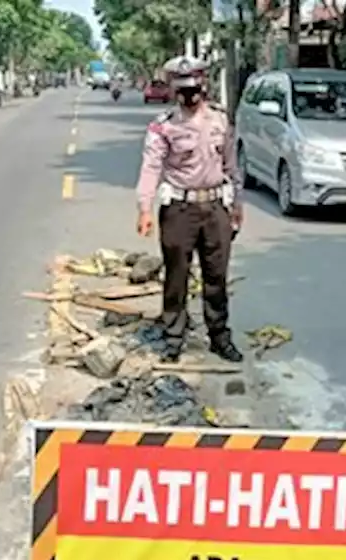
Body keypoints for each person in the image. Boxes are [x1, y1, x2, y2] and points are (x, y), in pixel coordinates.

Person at [136, 56, 244, 364]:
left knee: (216, 277)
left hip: (215, 209)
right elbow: (151, 168)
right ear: (173, 90)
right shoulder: (163, 127)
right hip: (178, 210)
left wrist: (238, 204)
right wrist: (144, 208)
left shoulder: (220, 121)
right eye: (183, 91)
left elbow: (232, 166)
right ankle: (173, 338)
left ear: (204, 86)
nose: (190, 96)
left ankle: (220, 337)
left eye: (194, 89)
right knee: (176, 276)